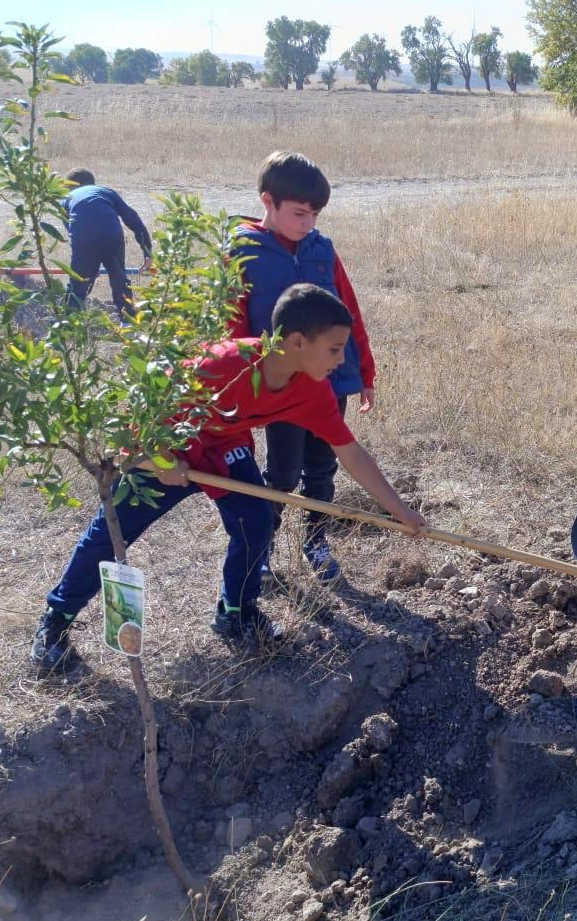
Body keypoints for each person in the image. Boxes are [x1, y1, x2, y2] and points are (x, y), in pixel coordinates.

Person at [30, 284, 426, 677]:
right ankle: (56, 620)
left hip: (223, 446)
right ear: (297, 342)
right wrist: (161, 459)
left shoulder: (311, 390)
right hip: (166, 441)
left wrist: (401, 513)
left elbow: (350, 452)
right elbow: (147, 408)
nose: (342, 360)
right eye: (335, 349)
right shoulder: (222, 363)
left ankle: (236, 613)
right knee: (111, 529)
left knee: (255, 519)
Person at [229, 151, 377, 585]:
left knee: (322, 467)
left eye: (315, 214)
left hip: (331, 383)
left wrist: (363, 372)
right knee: (283, 473)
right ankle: (263, 548)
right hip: (284, 391)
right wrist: (242, 383)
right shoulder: (244, 251)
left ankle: (316, 541)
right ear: (267, 202)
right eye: (298, 213)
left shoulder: (322, 249)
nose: (308, 223)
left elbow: (348, 311)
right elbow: (231, 324)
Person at [62, 169, 152, 319]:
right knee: (119, 280)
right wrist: (147, 251)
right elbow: (132, 218)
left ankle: (68, 323)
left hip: (84, 239)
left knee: (78, 284)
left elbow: (71, 229)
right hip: (111, 235)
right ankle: (127, 322)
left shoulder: (68, 198)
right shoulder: (105, 192)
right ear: (92, 183)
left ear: (71, 186)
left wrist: (88, 267)